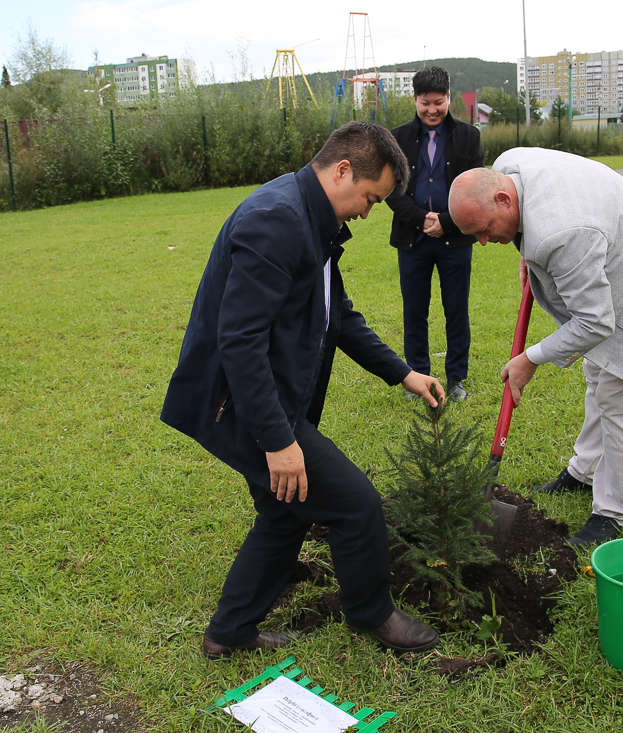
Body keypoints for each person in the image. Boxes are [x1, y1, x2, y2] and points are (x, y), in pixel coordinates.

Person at [161, 121, 444, 658]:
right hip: (239, 402)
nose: (368, 213)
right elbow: (239, 343)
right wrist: (278, 441)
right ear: (342, 171)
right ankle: (372, 613)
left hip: (261, 397)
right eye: (370, 198)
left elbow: (338, 317)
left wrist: (403, 373)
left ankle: (229, 633)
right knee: (356, 504)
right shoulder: (277, 220)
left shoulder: (310, 218)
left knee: (286, 510)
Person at [448, 148, 623, 547]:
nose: (484, 242)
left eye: (485, 229)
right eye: (475, 235)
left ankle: (612, 514)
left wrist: (530, 359)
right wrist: (525, 251)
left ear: (504, 199)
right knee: (597, 373)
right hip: (615, 244)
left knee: (619, 398)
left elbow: (595, 322)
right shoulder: (508, 167)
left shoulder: (561, 232)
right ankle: (585, 470)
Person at [385, 66, 485, 402]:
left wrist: (447, 220)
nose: (432, 110)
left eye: (438, 102)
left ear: (449, 99)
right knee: (414, 311)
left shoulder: (469, 137)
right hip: (412, 240)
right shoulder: (397, 138)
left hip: (455, 240)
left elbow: (477, 189)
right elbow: (390, 190)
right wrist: (421, 219)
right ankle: (418, 376)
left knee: (456, 309)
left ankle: (456, 378)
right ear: (415, 99)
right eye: (425, 102)